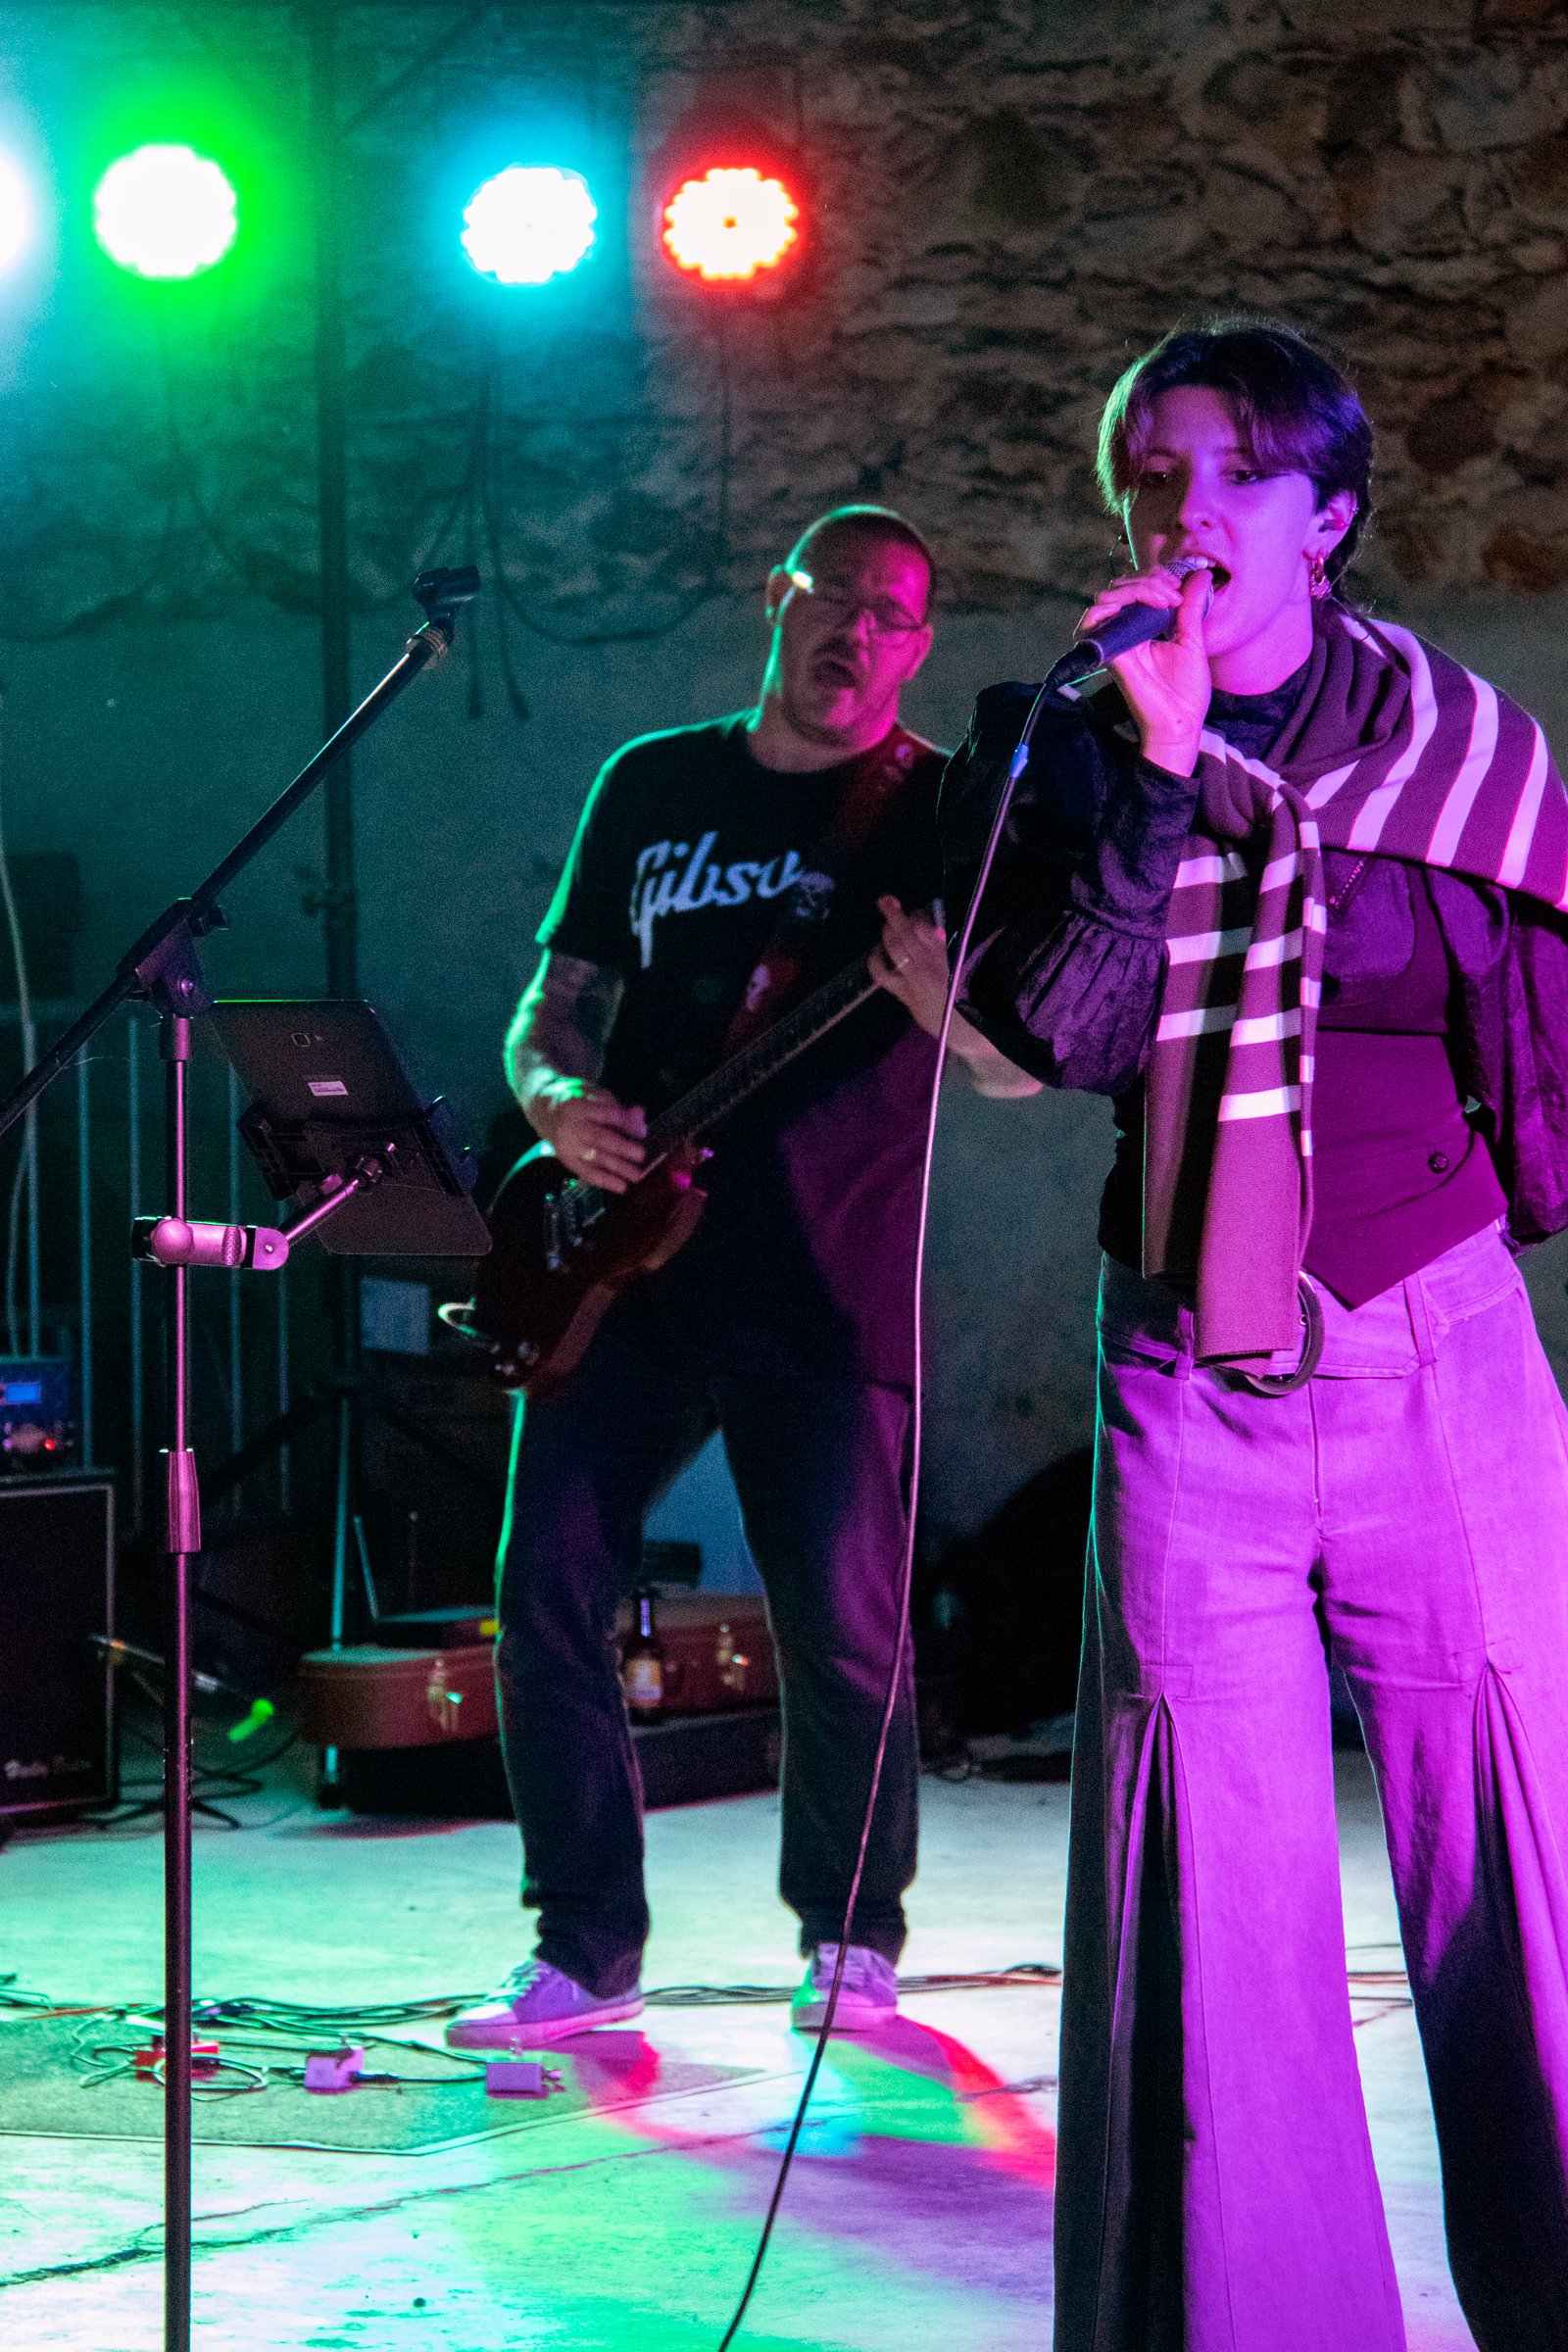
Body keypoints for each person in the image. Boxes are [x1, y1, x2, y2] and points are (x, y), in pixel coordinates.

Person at [940, 320, 1568, 2348]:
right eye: (1152, 473)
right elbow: (1063, 1031)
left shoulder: (1461, 748)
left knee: (1525, 1867)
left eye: (1230, 472)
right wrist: (1152, 768)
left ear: (1326, 517)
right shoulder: (1057, 742)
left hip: (1434, 1344)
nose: (1183, 508)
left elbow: (1536, 1040)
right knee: (1200, 1900)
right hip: (1184, 1367)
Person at [448, 505, 1038, 2052]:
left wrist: (945, 1006)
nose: (857, 631)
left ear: (919, 644)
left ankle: (851, 1937)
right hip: (619, 1271)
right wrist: (552, 1100)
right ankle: (583, 1948)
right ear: (781, 601)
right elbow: (555, 1003)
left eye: (891, 614)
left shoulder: (941, 812)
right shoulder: (653, 781)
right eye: (834, 596)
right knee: (543, 1593)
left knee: (842, 1629)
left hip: (823, 1279)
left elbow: (1017, 1064)